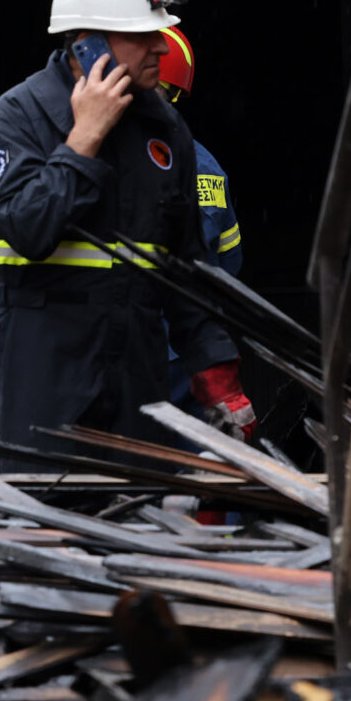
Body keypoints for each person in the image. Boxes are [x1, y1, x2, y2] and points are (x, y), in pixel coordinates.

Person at [0, 0, 252, 465]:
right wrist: (84, 140)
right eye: (143, 37)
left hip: (138, 392)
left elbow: (188, 270)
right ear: (87, 44)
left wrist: (218, 376)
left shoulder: (166, 130)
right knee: (49, 534)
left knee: (136, 532)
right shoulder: (20, 117)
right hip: (46, 389)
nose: (159, 48)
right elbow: (25, 231)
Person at [158, 27, 255, 437]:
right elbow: (229, 263)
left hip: (130, 351)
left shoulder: (118, 154)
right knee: (205, 470)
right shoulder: (205, 163)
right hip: (194, 348)